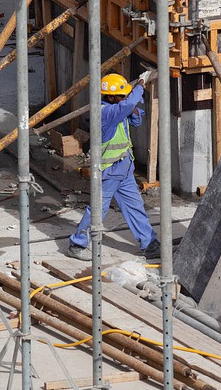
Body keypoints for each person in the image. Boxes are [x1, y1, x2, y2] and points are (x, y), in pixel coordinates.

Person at [66, 70, 161, 261]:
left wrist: (130, 103)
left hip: (124, 168)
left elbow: (135, 119)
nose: (123, 97)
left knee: (135, 206)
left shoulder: (118, 107)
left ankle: (149, 243)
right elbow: (127, 105)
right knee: (98, 209)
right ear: (110, 97)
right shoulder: (106, 112)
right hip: (109, 170)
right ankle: (78, 243)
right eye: (120, 95)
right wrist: (140, 84)